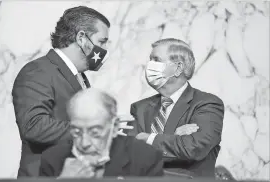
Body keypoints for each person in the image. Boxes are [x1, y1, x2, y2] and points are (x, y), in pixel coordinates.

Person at [12, 6, 131, 177]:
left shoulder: (80, 77)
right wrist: (95, 130)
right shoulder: (38, 71)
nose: (105, 50)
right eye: (102, 42)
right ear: (82, 38)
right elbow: (33, 126)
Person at [128, 38, 224, 178]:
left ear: (178, 68)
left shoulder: (208, 103)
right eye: (150, 60)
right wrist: (174, 137)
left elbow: (194, 148)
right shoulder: (140, 108)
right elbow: (129, 156)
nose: (149, 65)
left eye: (156, 59)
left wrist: (148, 139)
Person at [39, 88, 164, 178]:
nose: (84, 143)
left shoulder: (146, 158)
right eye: (76, 132)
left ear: (114, 127)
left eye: (95, 132)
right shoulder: (52, 159)